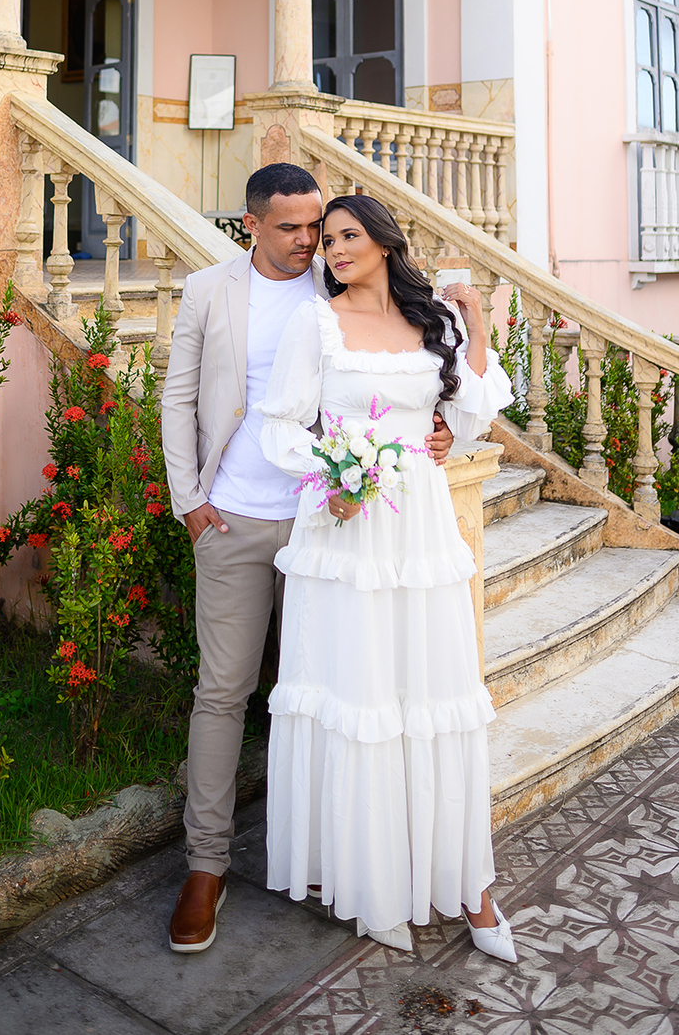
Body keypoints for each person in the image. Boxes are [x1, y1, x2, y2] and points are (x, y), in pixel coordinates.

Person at [161, 164, 454, 954]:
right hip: (237, 519)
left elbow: (405, 386)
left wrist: (439, 430)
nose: (309, 243)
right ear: (250, 225)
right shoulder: (209, 292)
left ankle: (334, 856)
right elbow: (178, 396)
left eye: (317, 227)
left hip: (335, 531)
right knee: (223, 692)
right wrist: (190, 500)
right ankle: (206, 866)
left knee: (338, 691)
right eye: (291, 229)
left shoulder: (346, 291)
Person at [257, 193, 517, 959]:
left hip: (421, 529)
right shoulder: (315, 324)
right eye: (326, 239)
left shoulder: (434, 317)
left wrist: (479, 333)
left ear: (382, 241)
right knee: (361, 694)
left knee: (435, 694)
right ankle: (373, 887)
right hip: (344, 528)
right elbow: (277, 425)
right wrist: (336, 465)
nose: (332, 250)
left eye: (346, 236)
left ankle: (471, 889)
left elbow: (469, 419)